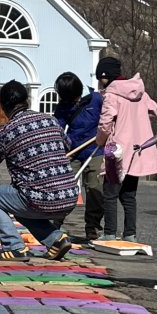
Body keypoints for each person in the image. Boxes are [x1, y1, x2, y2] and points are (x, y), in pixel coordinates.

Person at [0, 80, 78, 262]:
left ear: (3, 106)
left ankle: (13, 246)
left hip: (39, 197)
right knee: (18, 202)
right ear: (27, 100)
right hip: (69, 195)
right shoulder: (50, 120)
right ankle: (56, 239)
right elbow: (68, 145)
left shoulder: (7, 131)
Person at [95, 57, 157, 242]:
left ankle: (109, 233)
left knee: (110, 193)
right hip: (137, 151)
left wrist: (100, 141)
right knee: (129, 195)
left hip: (117, 151)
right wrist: (138, 113)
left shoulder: (111, 95)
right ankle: (129, 234)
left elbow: (105, 124)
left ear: (105, 76)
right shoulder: (140, 92)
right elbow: (156, 110)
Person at [54, 70, 104, 241]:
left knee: (94, 188)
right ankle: (55, 222)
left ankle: (92, 226)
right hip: (74, 150)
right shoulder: (63, 105)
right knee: (64, 187)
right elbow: (58, 128)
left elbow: (108, 121)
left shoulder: (96, 99)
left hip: (96, 149)